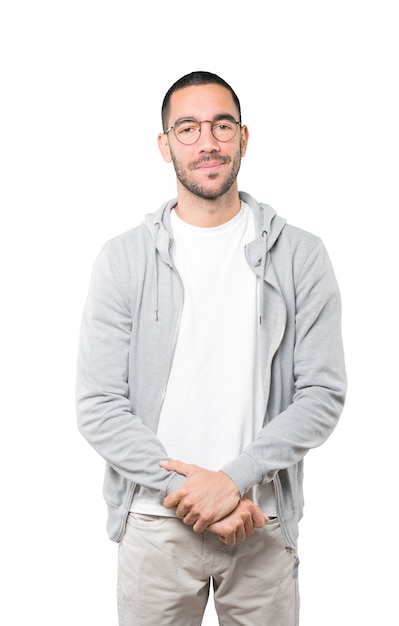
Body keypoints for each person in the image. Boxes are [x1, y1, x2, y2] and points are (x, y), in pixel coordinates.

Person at [76, 70, 347, 626]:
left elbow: (321, 394)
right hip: (154, 525)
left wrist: (233, 480)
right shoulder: (123, 259)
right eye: (189, 128)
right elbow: (99, 406)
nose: (207, 142)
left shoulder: (301, 255)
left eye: (222, 126)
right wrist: (195, 494)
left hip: (262, 523)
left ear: (243, 139)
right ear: (165, 144)